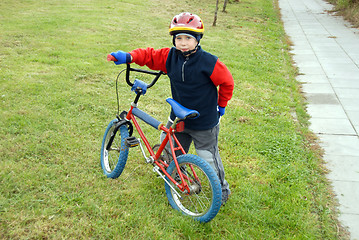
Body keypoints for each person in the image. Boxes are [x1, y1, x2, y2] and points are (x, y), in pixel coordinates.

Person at [109, 12, 234, 205]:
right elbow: (149, 56)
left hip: (204, 121)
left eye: (188, 38)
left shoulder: (209, 62)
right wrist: (129, 56)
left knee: (208, 158)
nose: (183, 43)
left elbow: (227, 82)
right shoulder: (169, 57)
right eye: (179, 38)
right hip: (178, 117)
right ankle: (177, 175)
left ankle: (222, 189)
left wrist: (222, 104)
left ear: (198, 40)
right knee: (169, 149)